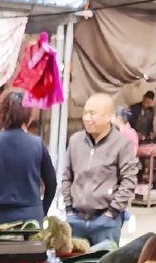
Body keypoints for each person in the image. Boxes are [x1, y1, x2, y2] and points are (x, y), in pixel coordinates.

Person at [59, 92, 137, 245]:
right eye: (85, 113)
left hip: (106, 222)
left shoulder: (121, 144)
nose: (87, 118)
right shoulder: (76, 141)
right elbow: (66, 176)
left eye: (92, 114)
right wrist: (68, 209)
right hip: (76, 220)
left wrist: (112, 212)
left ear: (108, 116)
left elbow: (129, 181)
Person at [0, 88, 57, 225]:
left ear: (1, 113)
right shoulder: (38, 145)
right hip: (31, 217)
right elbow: (52, 184)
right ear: (28, 115)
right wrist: (42, 211)